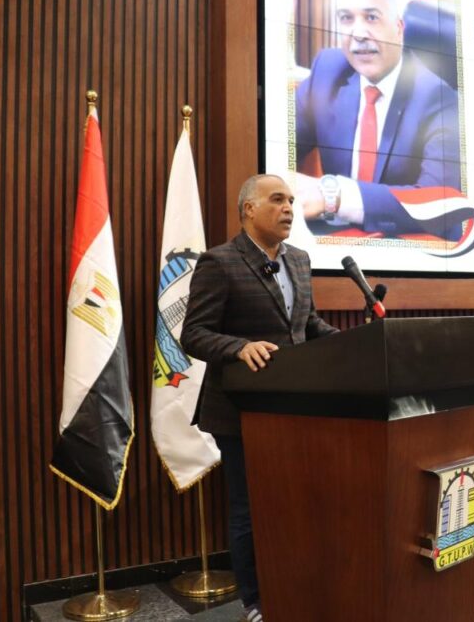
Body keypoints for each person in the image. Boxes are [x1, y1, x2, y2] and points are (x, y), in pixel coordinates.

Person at [180, 174, 337, 622]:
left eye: (291, 200)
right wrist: (238, 347)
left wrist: (355, 342)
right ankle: (255, 602)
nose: (289, 208)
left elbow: (307, 325)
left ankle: (291, 586)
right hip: (240, 412)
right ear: (248, 209)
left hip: (295, 408)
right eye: (277, 200)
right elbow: (194, 333)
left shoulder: (299, 260)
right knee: (249, 509)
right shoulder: (220, 262)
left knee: (294, 505)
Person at [294, 0, 462, 240]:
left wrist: (334, 195)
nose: (358, 33)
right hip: (336, 242)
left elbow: (438, 204)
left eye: (371, 17)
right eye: (346, 18)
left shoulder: (440, 99)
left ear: (399, 29)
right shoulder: (328, 70)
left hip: (406, 246)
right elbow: (278, 146)